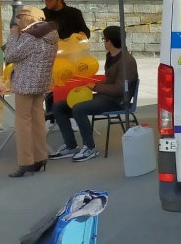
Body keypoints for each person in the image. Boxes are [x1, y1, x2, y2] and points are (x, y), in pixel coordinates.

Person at [50, 26, 139, 162]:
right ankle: (70, 145)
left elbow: (120, 89)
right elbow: (110, 82)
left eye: (104, 39)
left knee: (79, 108)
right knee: (59, 106)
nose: (103, 42)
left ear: (110, 42)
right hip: (105, 95)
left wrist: (96, 86)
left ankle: (90, 147)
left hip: (117, 100)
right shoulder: (112, 56)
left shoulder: (127, 61)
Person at [4, 7, 59, 177]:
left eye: (20, 19)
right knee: (37, 120)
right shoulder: (52, 36)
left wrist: (13, 36)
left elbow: (10, 56)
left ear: (27, 19)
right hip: (41, 83)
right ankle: (41, 157)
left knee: (22, 122)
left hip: (25, 84)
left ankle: (26, 161)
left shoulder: (30, 36)